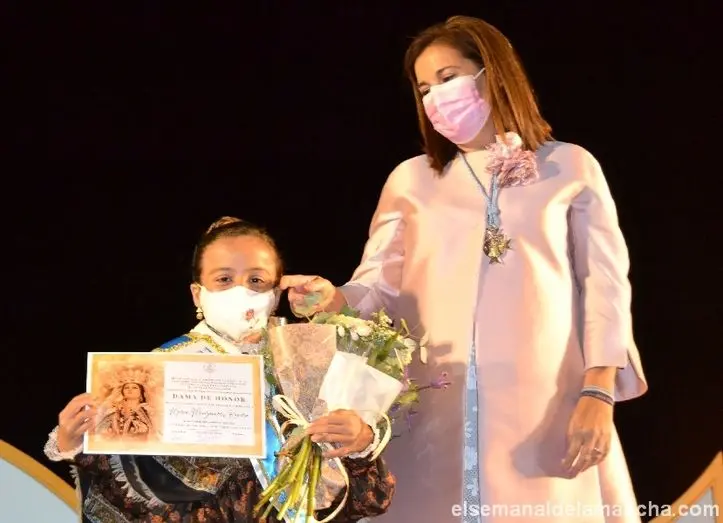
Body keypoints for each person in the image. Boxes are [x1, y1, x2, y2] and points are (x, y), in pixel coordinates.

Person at [281, 15, 647, 523]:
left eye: (448, 77)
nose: (436, 97)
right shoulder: (411, 180)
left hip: (544, 403)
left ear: (491, 73)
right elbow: (378, 285)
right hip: (433, 406)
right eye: (424, 89)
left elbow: (605, 288)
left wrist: (598, 391)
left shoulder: (570, 167)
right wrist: (334, 298)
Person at [44, 217, 395, 523]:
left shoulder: (308, 365)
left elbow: (359, 496)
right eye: (224, 279)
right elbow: (126, 481)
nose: (241, 290)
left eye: (256, 280)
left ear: (277, 292)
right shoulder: (161, 369)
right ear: (197, 294)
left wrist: (360, 441)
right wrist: (75, 441)